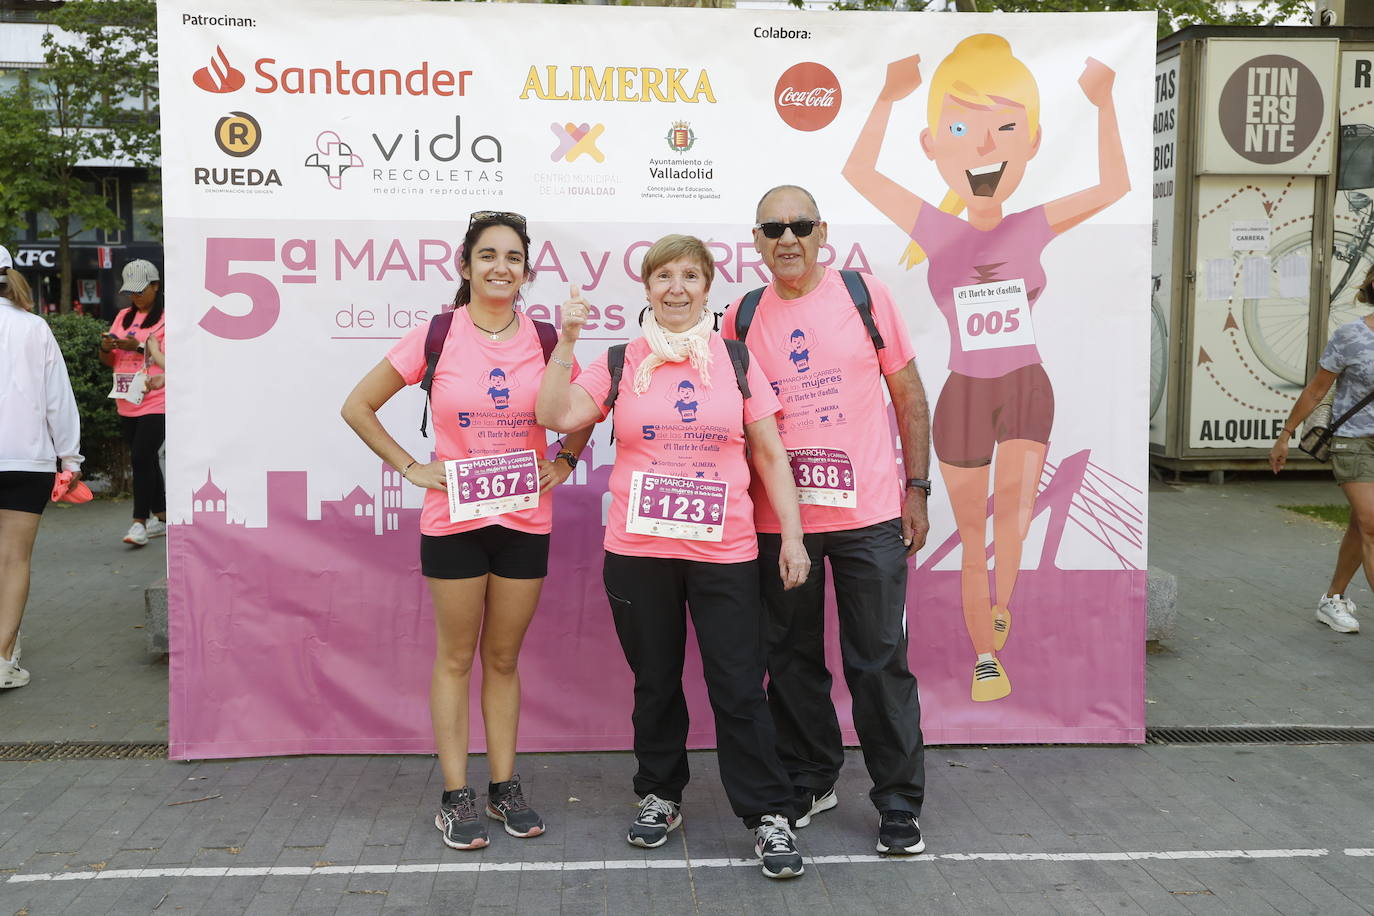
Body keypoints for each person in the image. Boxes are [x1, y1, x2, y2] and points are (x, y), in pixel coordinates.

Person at [843, 35, 1129, 702]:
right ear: (932, 145)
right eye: (962, 128)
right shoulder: (934, 230)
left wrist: (1105, 101)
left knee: (1014, 522)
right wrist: (885, 97)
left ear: (1030, 142)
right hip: (965, 396)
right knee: (974, 533)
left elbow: (1115, 185)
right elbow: (859, 173)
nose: (982, 147)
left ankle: (1003, 609)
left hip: (1025, 388)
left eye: (1004, 128)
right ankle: (986, 654)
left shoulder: (1033, 223)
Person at [536, 234, 810, 880]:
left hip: (725, 553)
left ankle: (768, 813)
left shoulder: (737, 360)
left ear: (708, 287)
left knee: (739, 687)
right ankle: (660, 794)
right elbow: (554, 413)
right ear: (648, 287)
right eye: (664, 276)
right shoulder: (619, 359)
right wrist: (568, 343)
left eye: (690, 275)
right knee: (655, 681)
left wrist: (793, 537)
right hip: (638, 552)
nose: (677, 288)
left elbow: (770, 454)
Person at [341, 211, 591, 851]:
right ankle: (456, 796)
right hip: (453, 521)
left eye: (512, 257)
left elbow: (584, 406)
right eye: (488, 256)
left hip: (524, 521)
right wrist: (409, 466)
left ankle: (503, 787)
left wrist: (563, 460)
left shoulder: (543, 337)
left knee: (503, 659)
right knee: (456, 658)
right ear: (466, 265)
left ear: (526, 270)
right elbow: (357, 405)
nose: (500, 267)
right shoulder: (437, 335)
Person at [722, 186, 932, 856]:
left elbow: (908, 392)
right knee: (789, 658)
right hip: (782, 521)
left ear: (822, 233)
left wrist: (918, 488)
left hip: (869, 514)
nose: (788, 239)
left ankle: (898, 802)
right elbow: (729, 419)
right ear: (756, 241)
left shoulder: (861, 293)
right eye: (774, 228)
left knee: (878, 661)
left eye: (801, 226)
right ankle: (812, 778)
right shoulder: (742, 314)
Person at [1270, 267, 1374, 635]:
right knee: (1373, 523)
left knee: (1362, 524)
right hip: (1354, 440)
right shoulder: (1351, 336)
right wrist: (1285, 434)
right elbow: (1316, 390)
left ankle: (1333, 598)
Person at [0, 250, 83, 689]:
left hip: (24, 456)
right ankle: (2, 658)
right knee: (14, 559)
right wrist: (69, 458)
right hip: (26, 457)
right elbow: (58, 398)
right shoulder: (34, 327)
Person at [99, 260, 167, 547]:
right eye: (131, 292)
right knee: (146, 458)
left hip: (157, 398)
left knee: (140, 457)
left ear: (156, 286)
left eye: (141, 291)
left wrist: (137, 346)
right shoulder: (123, 316)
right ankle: (161, 517)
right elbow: (108, 361)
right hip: (126, 397)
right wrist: (106, 347)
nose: (135, 297)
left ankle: (138, 522)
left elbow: (170, 358)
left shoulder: (169, 318)